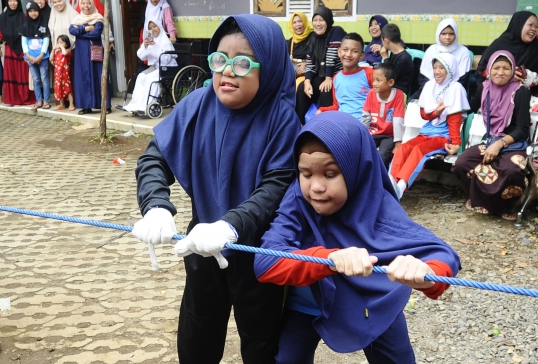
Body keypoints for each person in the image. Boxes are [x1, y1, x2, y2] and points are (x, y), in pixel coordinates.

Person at [131, 14, 301, 364]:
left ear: (266, 68)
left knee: (261, 344)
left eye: (242, 63)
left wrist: (231, 225)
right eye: (219, 59)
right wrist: (156, 205)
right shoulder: (196, 106)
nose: (227, 71)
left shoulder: (282, 119)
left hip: (260, 254)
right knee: (196, 338)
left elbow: (276, 186)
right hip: (202, 245)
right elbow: (153, 158)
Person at [254, 111, 460, 364]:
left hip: (373, 303)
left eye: (330, 174)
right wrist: (329, 258)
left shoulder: (379, 207)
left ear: (357, 170)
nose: (315, 187)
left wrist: (424, 271)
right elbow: (265, 262)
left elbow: (443, 255)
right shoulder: (297, 200)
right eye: (306, 174)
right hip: (308, 303)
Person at [453, 50, 531, 221]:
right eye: (496, 68)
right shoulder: (484, 88)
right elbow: (471, 107)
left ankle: (514, 202)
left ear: (513, 70)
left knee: (512, 170)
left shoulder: (520, 92)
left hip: (513, 143)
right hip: (490, 140)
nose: (500, 72)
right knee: (462, 163)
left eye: (506, 68)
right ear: (489, 69)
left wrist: (499, 144)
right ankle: (479, 197)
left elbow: (522, 129)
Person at [390, 53, 470, 199]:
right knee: (404, 148)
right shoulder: (429, 85)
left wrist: (456, 143)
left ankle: (400, 187)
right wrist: (435, 112)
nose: (437, 71)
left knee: (419, 150)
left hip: (443, 136)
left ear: (450, 69)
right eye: (434, 67)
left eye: (442, 68)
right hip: (427, 131)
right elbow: (424, 114)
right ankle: (390, 183)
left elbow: (454, 119)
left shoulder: (456, 88)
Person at [296, 6, 346, 125]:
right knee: (303, 87)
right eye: (315, 20)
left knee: (325, 88)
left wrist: (328, 78)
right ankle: (299, 123)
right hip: (322, 74)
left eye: (321, 20)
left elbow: (331, 55)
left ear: (328, 21)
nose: (318, 24)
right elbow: (310, 61)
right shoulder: (313, 37)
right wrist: (308, 80)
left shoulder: (336, 31)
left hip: (335, 73)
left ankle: (324, 125)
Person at [475, 11, 538, 96]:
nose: (534, 29)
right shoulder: (500, 44)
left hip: (527, 95)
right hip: (498, 93)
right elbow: (482, 70)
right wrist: (508, 76)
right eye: (530, 25)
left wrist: (527, 77)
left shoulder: (535, 47)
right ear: (518, 25)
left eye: (536, 26)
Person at [315, 32, 373, 122]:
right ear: (339, 52)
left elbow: (379, 101)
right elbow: (337, 106)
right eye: (345, 50)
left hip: (364, 124)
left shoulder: (369, 73)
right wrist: (322, 110)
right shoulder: (336, 78)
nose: (348, 54)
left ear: (361, 56)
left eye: (355, 51)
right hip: (342, 123)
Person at [123, 19, 176, 114]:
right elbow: (141, 56)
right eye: (150, 28)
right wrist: (145, 46)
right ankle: (136, 104)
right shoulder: (151, 40)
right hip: (156, 67)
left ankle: (147, 105)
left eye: (154, 26)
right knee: (141, 77)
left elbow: (166, 59)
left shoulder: (165, 41)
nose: (153, 29)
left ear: (159, 26)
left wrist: (154, 46)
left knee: (150, 79)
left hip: (167, 67)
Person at [69, 0, 111, 115]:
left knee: (99, 76)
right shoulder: (77, 18)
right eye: (83, 3)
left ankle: (105, 106)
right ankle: (86, 106)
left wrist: (80, 32)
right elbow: (72, 30)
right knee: (83, 77)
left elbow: (96, 33)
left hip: (95, 52)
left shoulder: (98, 18)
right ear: (80, 5)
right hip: (81, 54)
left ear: (92, 5)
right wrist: (86, 29)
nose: (86, 6)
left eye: (88, 3)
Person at [362, 62, 406, 170]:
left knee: (383, 154)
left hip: (389, 135)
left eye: (378, 80)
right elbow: (366, 116)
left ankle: (382, 180)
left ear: (390, 82)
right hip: (373, 132)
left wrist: (398, 144)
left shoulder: (399, 95)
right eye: (373, 80)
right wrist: (362, 135)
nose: (374, 83)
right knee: (363, 151)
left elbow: (398, 120)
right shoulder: (371, 93)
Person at [414, 18, 471, 99]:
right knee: (411, 104)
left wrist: (444, 93)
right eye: (443, 34)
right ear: (438, 34)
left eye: (451, 34)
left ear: (456, 35)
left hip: (453, 93)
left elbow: (462, 80)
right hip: (430, 91)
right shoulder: (432, 50)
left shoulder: (463, 52)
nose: (447, 37)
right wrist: (432, 93)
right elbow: (424, 78)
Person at [0, 0, 36, 106]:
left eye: (15, 1)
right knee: (12, 73)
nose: (13, 3)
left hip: (24, 49)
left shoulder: (25, 17)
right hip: (9, 49)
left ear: (19, 2)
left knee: (23, 73)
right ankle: (12, 99)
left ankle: (25, 98)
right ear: (7, 2)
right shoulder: (1, 18)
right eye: (10, 1)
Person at [21, 1, 52, 110]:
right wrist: (27, 55)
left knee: (44, 78)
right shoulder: (25, 25)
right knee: (36, 79)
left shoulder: (43, 24)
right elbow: (24, 42)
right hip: (30, 58)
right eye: (30, 11)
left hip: (42, 57)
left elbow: (46, 39)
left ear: (39, 12)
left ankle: (46, 101)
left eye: (35, 11)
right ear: (27, 13)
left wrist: (41, 55)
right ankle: (38, 101)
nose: (33, 13)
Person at [380, 23, 413, 97]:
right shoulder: (393, 53)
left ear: (386, 40)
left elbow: (389, 77)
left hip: (399, 93)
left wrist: (385, 58)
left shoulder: (404, 58)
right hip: (389, 89)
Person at [287, 12, 313, 86]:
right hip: (293, 71)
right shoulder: (291, 41)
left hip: (309, 71)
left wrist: (306, 64)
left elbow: (319, 56)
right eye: (294, 22)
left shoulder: (313, 37)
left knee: (298, 84)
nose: (297, 24)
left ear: (304, 22)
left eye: (300, 21)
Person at [50, 34, 74, 111]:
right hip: (58, 75)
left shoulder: (68, 51)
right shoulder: (57, 53)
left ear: (66, 43)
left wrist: (61, 47)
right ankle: (61, 104)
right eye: (58, 42)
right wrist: (53, 50)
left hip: (65, 75)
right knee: (59, 89)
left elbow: (65, 53)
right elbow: (51, 59)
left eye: (61, 42)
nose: (59, 44)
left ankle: (71, 104)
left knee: (68, 89)